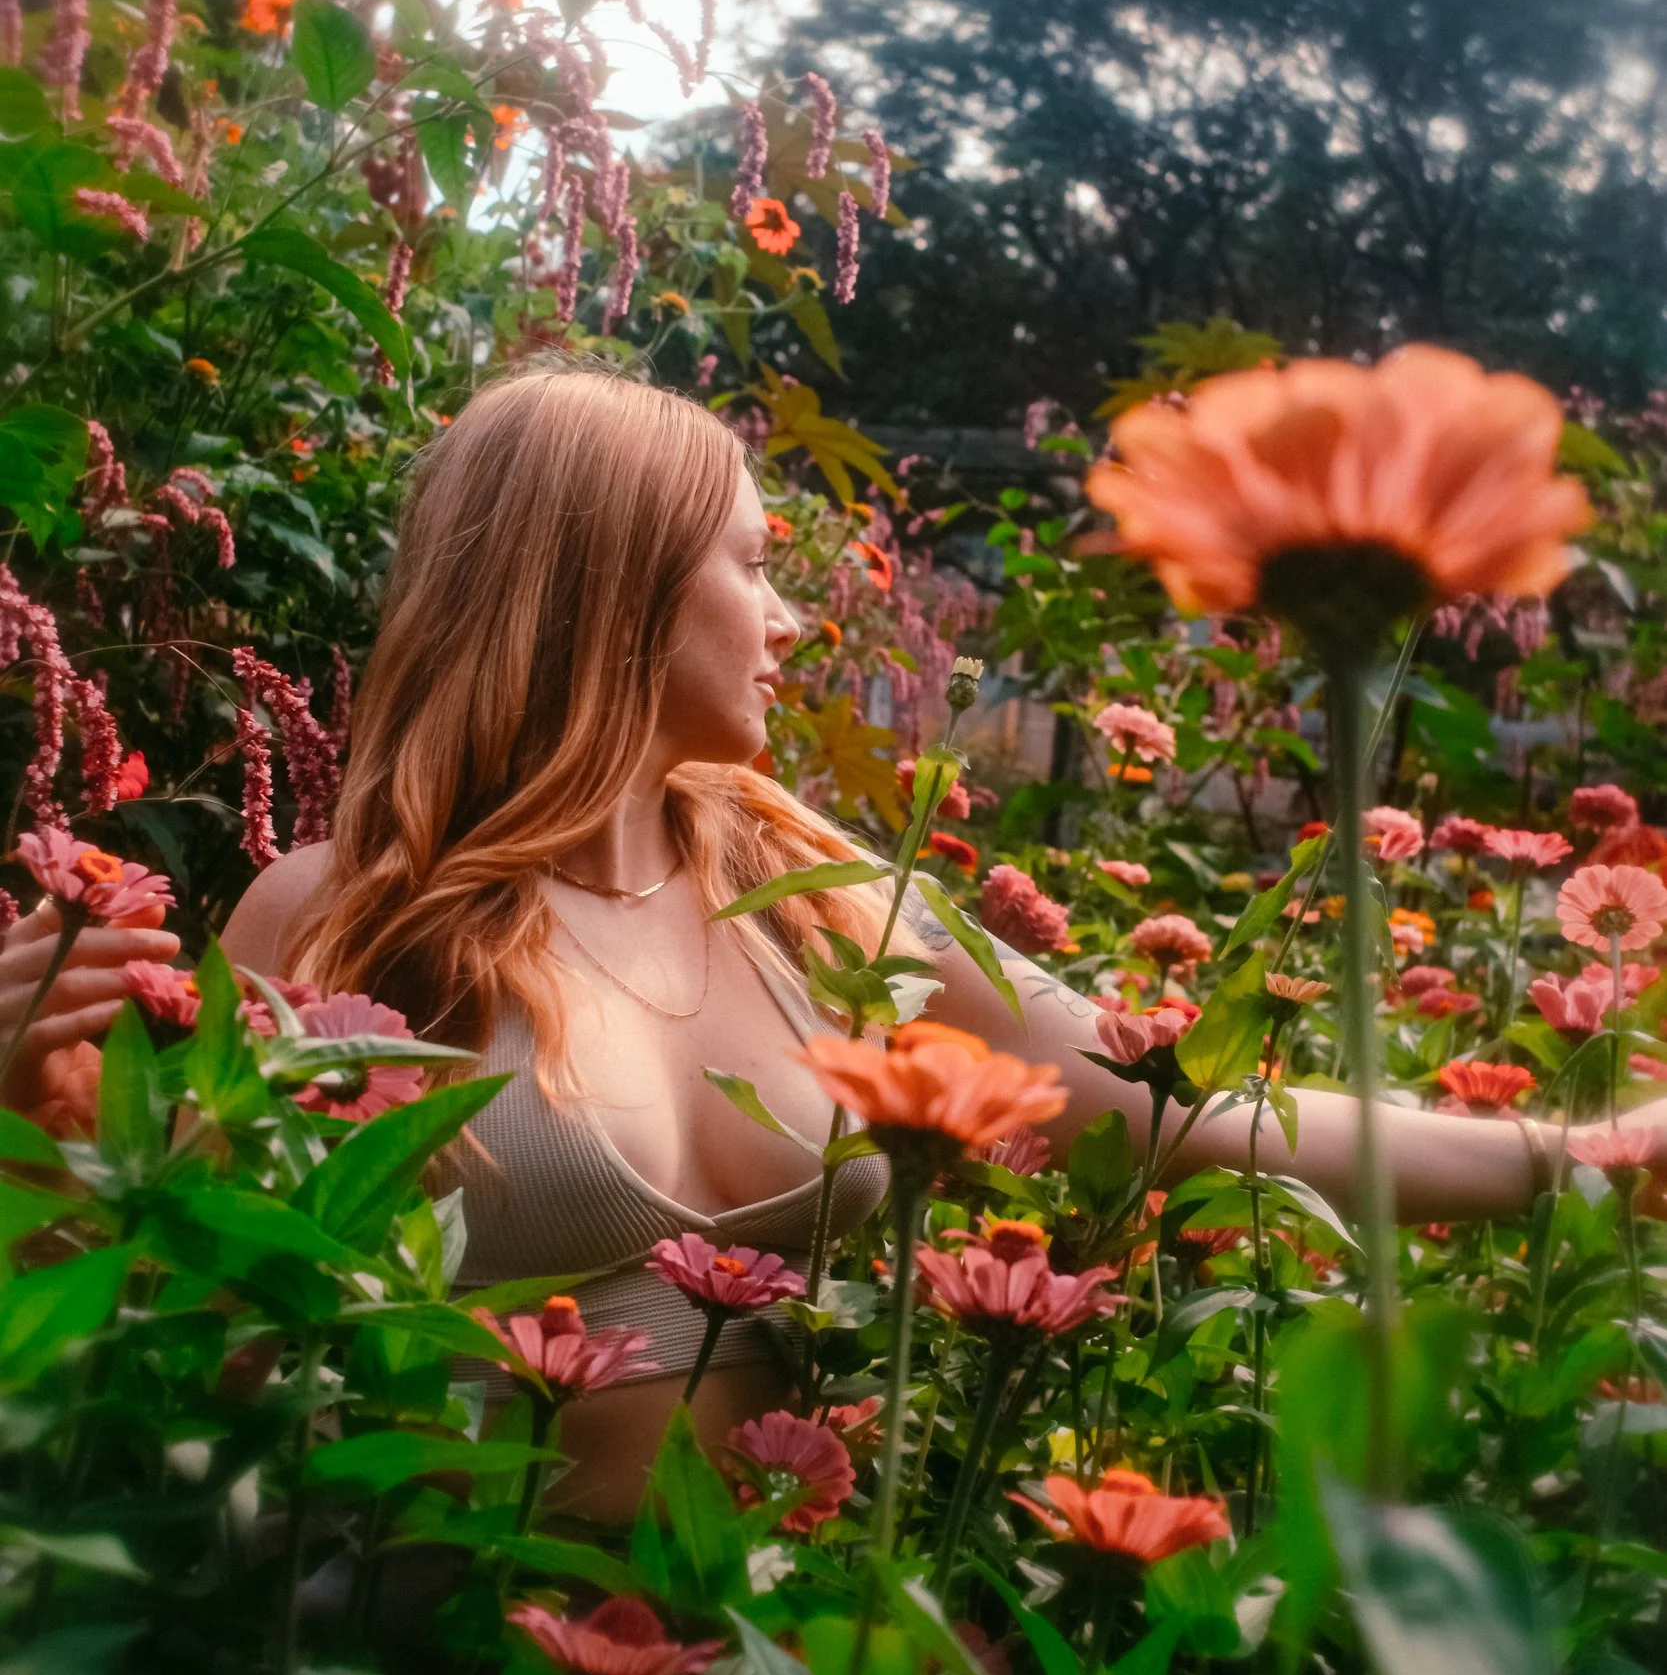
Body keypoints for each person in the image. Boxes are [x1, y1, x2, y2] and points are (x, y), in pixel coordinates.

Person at [0, 366, 1653, 1519]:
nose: (791, 621)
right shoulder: (353, 909)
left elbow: (1173, 1118)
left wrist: (1578, 1154)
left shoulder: (819, 899)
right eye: (751, 568)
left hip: (767, 1673)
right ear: (611, 590)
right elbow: (168, 1332)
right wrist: (22, 1125)